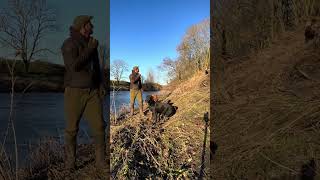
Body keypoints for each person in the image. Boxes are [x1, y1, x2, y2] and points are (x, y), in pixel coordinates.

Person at [61, 15, 106, 172]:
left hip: (92, 92)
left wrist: (101, 85)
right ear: (82, 26)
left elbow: (97, 67)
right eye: (90, 24)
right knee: (72, 129)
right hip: (74, 92)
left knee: (100, 126)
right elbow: (74, 66)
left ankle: (101, 163)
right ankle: (70, 164)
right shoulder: (68, 44)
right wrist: (90, 49)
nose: (92, 27)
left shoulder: (91, 44)